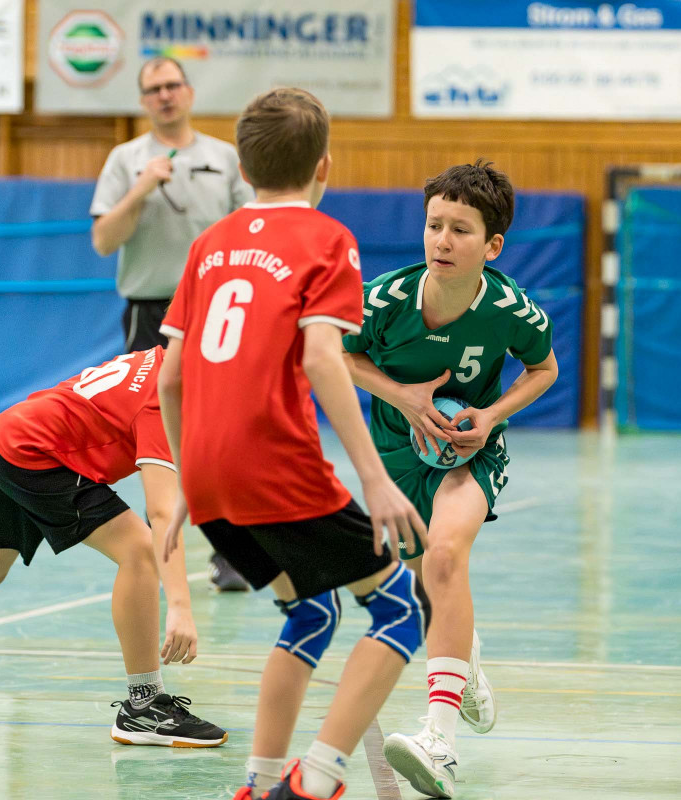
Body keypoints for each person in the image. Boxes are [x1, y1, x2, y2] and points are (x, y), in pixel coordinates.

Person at [156, 87, 428, 800]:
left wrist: (187, 481)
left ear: (243, 170)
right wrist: (374, 478)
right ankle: (321, 774)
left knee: (310, 612)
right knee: (402, 610)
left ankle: (261, 781)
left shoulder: (209, 245)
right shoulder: (327, 239)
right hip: (277, 469)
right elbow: (321, 358)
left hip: (207, 477)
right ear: (324, 166)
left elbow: (172, 377)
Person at [0, 347, 226, 748]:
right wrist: (180, 606)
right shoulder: (163, 401)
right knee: (140, 550)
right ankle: (144, 705)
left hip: (10, 433)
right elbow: (162, 513)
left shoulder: (162, 358)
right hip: (36, 455)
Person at [343, 160, 559, 798]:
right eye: (434, 225)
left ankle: (439, 744)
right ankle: (467, 663)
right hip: (397, 448)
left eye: (460, 230)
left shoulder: (512, 311)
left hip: (468, 451)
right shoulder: (382, 301)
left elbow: (544, 369)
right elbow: (337, 355)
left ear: (492, 246)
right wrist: (405, 398)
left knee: (444, 558)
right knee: (426, 583)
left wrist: (490, 417)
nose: (442, 240)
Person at [90, 55, 254, 591]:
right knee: (154, 438)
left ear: (188, 92)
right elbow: (103, 240)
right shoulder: (125, 159)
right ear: (143, 101)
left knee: (222, 430)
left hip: (214, 310)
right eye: (154, 88)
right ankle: (162, 552)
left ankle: (230, 554)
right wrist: (140, 189)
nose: (164, 95)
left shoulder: (223, 158)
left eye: (172, 85)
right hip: (149, 313)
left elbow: (251, 231)